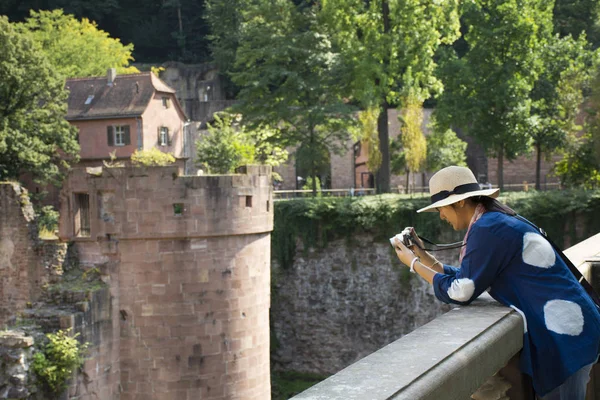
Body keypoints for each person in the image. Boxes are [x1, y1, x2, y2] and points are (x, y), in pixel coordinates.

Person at [392, 166, 600, 400]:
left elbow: (461, 291)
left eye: (441, 208)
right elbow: (470, 278)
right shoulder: (492, 220)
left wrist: (412, 263)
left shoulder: (488, 228)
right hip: (573, 330)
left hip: (567, 337)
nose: (441, 216)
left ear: (459, 202)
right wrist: (423, 256)